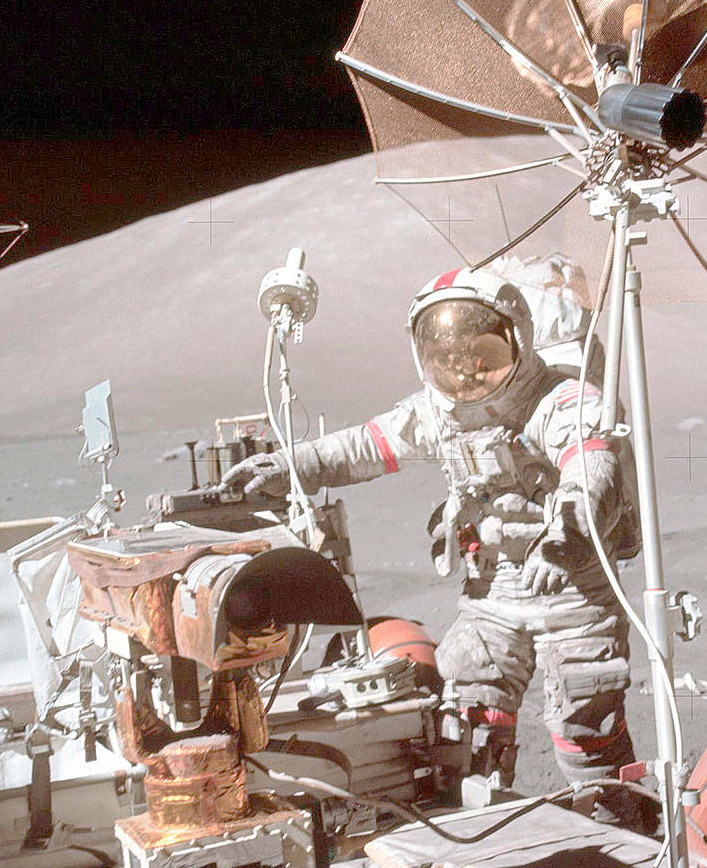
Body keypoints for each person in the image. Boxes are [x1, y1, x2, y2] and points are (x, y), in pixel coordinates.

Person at [221, 266, 645, 826]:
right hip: (492, 595)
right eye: (447, 358)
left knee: (585, 728)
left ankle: (629, 837)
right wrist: (287, 465)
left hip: (572, 588)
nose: (466, 372)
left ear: (517, 339)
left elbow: (592, 467)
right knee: (467, 724)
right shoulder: (437, 414)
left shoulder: (558, 400)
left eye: (482, 355)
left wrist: (567, 532)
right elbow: (362, 447)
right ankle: (492, 831)